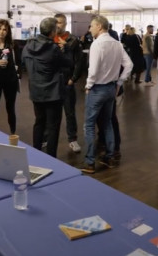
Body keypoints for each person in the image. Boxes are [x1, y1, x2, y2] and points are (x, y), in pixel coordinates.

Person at [79, 15, 133, 174]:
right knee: (108, 122)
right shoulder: (117, 44)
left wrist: (88, 85)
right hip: (111, 88)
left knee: (89, 125)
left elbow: (93, 70)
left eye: (91, 26)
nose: (90, 29)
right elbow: (129, 65)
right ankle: (109, 156)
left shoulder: (97, 44)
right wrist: (119, 82)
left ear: (99, 27)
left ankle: (89, 162)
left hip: (97, 89)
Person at [22, 18, 70, 157]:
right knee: (53, 127)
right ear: (53, 31)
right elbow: (68, 63)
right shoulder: (53, 49)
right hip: (53, 93)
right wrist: (65, 48)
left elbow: (24, 62)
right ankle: (51, 158)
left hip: (36, 91)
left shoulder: (28, 46)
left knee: (39, 123)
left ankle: (36, 153)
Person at [54, 14, 85, 152]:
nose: (57, 25)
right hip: (53, 82)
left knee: (70, 113)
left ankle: (72, 139)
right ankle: (47, 138)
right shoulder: (49, 39)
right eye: (55, 22)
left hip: (67, 81)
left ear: (65, 23)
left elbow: (79, 62)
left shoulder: (73, 41)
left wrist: (73, 79)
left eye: (60, 22)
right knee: (52, 113)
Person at [0, 19, 21, 134]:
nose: (2, 32)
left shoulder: (12, 45)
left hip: (10, 80)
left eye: (5, 30)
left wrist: (18, 73)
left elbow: (19, 62)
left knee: (10, 108)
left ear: (8, 32)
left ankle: (13, 132)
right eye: (0, 29)